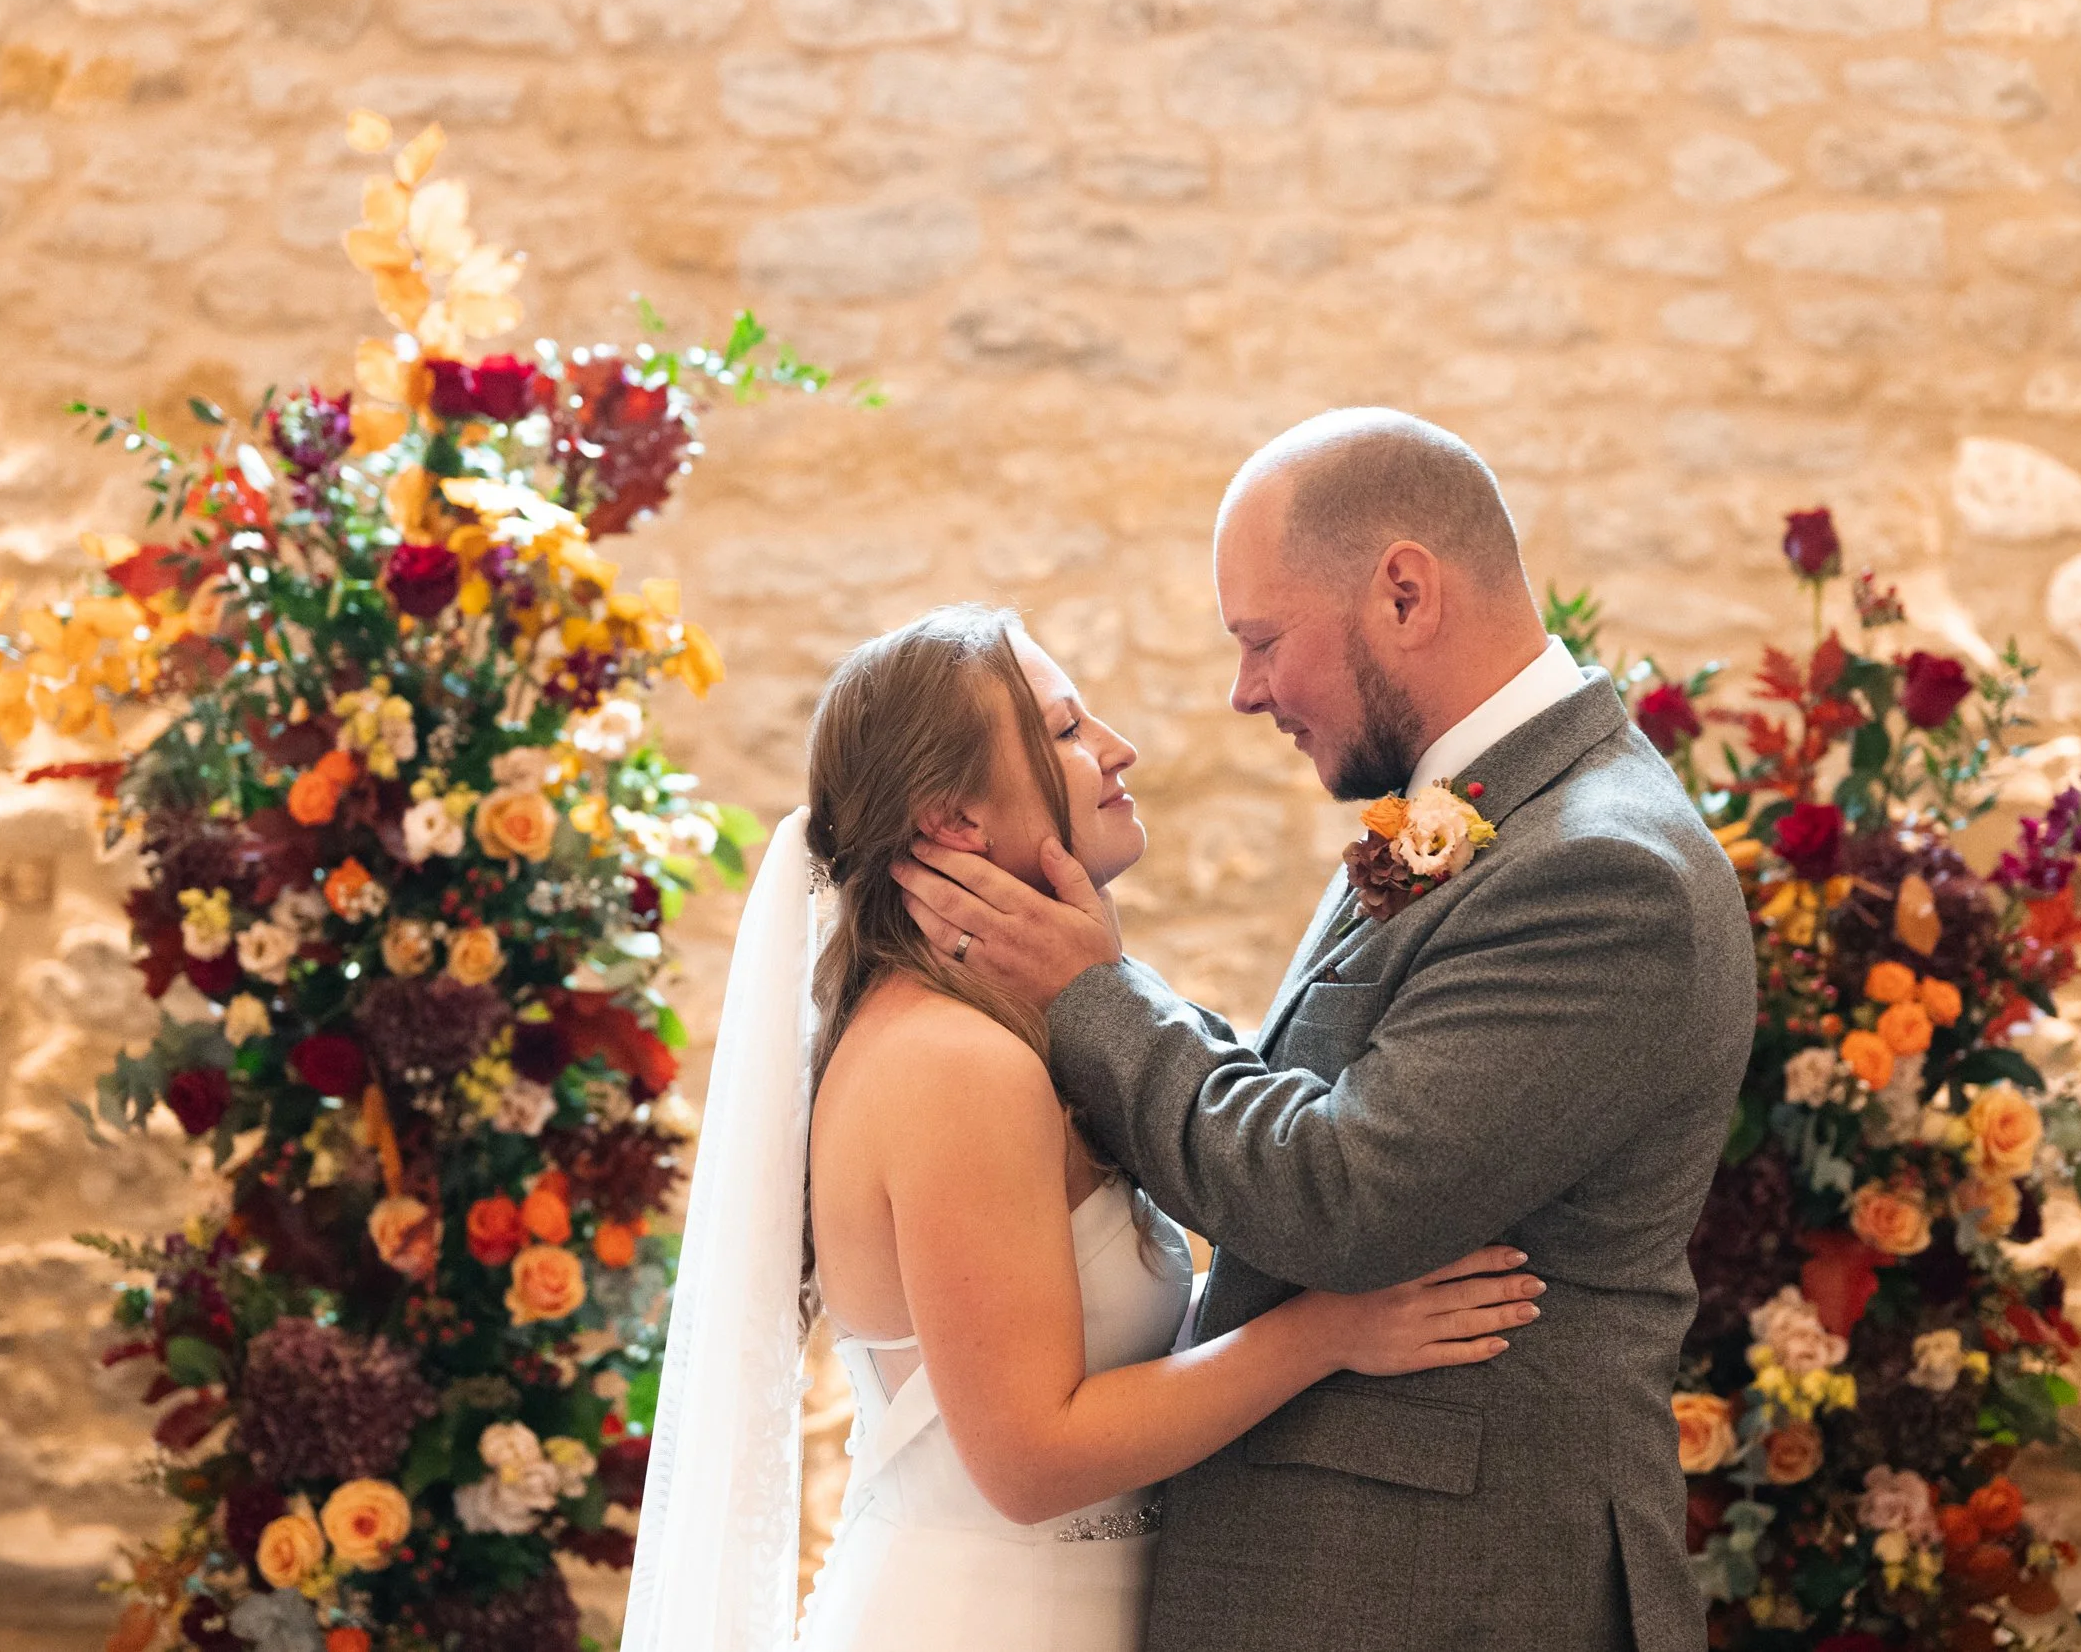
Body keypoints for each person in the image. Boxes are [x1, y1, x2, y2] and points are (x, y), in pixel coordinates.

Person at [893, 409, 1757, 1652]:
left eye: (1261, 639)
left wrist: (1095, 993)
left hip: (1448, 1589)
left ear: (1403, 591)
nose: (1245, 691)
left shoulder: (1604, 870)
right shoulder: (1477, 813)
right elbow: (1302, 1094)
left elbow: (1345, 1194)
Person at [620, 604, 1541, 1652]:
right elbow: (1030, 1457)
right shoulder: (954, 1064)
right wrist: (1326, 1330)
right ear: (955, 822)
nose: (1117, 748)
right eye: (1063, 731)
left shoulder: (1000, 1037)